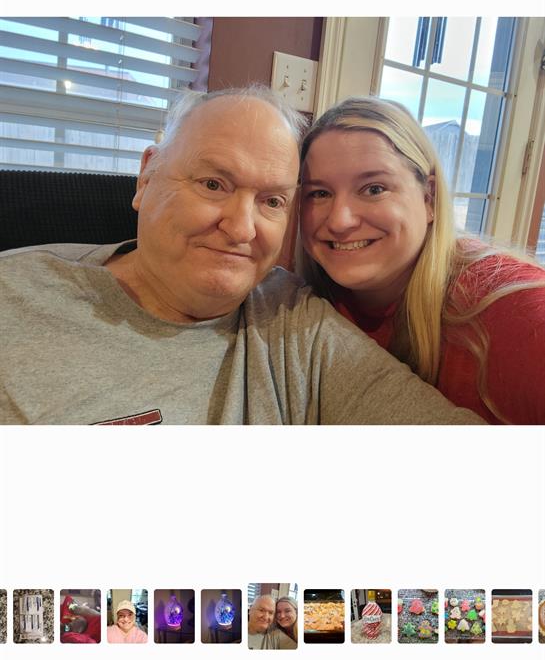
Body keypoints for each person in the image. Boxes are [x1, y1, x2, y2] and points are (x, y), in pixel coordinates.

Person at [0, 85, 484, 425]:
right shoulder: (15, 294)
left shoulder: (296, 324)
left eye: (272, 201)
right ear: (146, 177)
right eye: (213, 184)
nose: (241, 228)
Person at [299, 96, 545, 424]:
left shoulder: (519, 314)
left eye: (373, 189)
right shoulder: (301, 306)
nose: (340, 220)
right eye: (319, 193)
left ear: (428, 198)